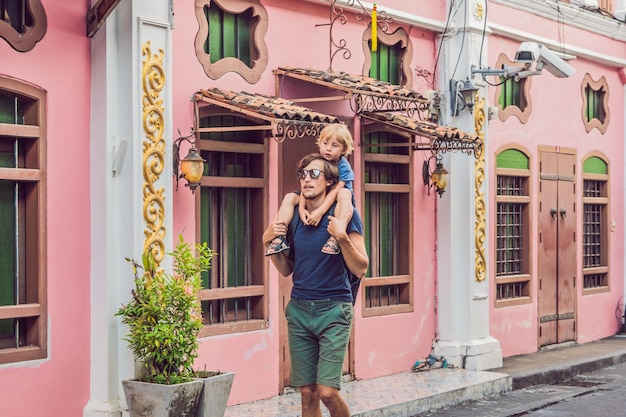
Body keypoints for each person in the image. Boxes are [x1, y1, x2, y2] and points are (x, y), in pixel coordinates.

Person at [262, 153, 369, 417]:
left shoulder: (345, 215)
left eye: (314, 174)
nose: (307, 180)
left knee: (327, 392)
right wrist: (268, 243)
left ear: (330, 181)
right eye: (303, 174)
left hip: (334, 310)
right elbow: (287, 270)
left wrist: (341, 238)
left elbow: (361, 267)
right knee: (307, 392)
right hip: (299, 310)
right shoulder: (295, 218)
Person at [265, 124, 355, 256]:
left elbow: (335, 191)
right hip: (319, 195)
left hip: (339, 199)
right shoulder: (317, 160)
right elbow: (304, 189)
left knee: (343, 193)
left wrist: (319, 212)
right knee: (290, 197)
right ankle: (279, 236)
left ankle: (335, 237)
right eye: (325, 143)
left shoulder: (344, 167)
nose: (328, 148)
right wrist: (302, 208)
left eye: (335, 145)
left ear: (343, 150)